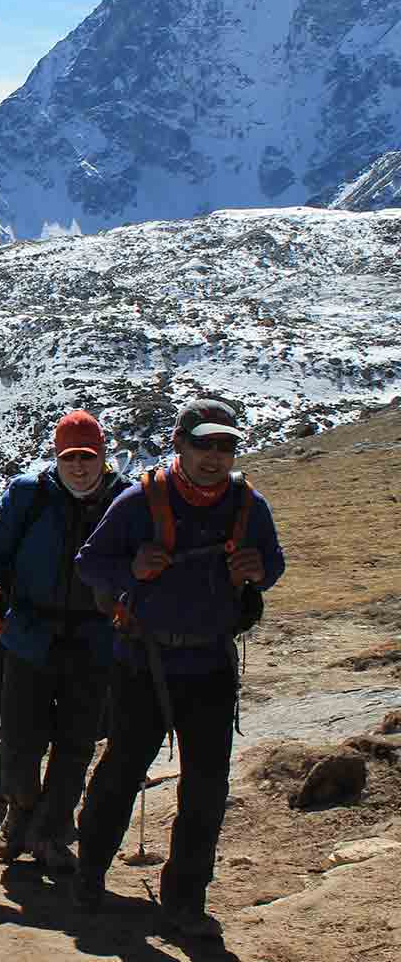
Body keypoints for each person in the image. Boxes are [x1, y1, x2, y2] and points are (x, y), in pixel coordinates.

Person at [73, 399, 284, 940]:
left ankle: (185, 900)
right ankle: (89, 873)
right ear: (180, 444)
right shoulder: (140, 501)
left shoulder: (248, 505)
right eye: (203, 444)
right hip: (144, 663)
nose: (214, 457)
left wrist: (260, 571)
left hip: (211, 664)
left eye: (225, 445)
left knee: (206, 787)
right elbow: (89, 563)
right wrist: (131, 569)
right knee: (121, 771)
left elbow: (273, 564)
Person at [0, 410, 133, 871]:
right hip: (28, 632)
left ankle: (52, 827)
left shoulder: (126, 500)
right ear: (56, 457)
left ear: (102, 455)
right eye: (69, 457)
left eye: (87, 456)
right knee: (18, 736)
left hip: (95, 639)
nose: (79, 466)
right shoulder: (28, 495)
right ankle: (20, 810)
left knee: (77, 741)